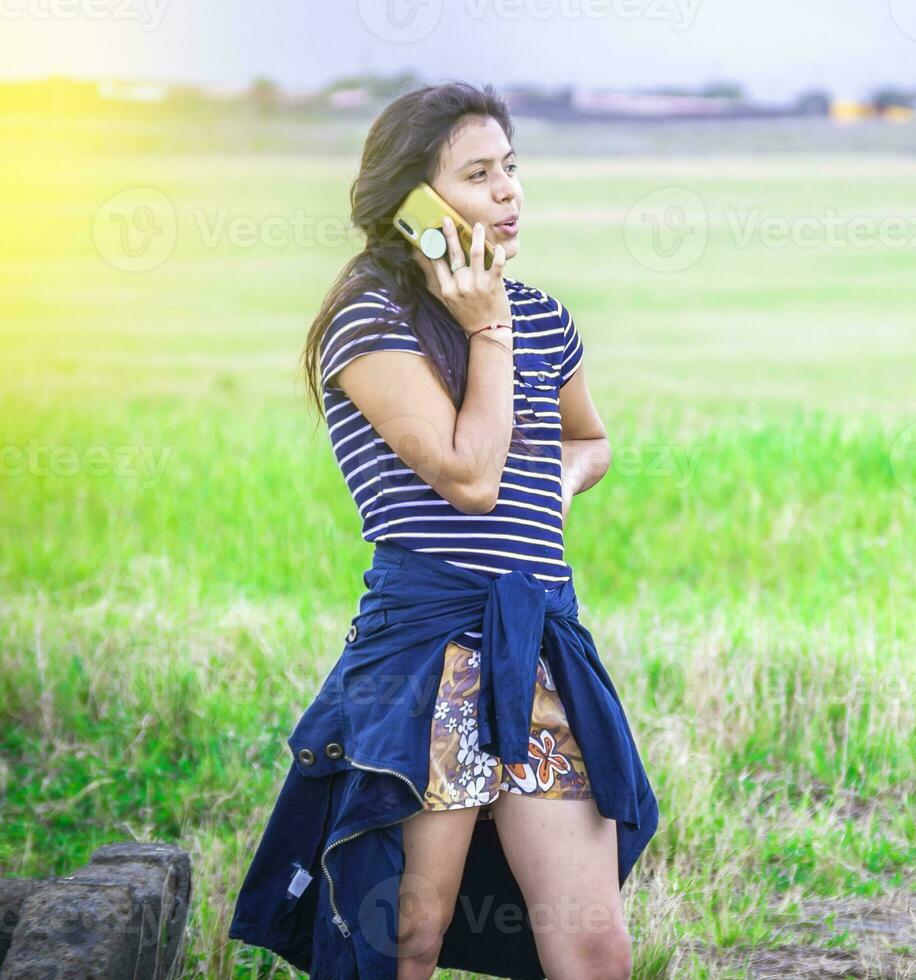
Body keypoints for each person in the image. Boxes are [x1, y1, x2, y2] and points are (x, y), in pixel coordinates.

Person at [229, 80, 657, 980]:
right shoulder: (371, 319)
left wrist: (560, 488)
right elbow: (466, 475)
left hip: (538, 638)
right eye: (477, 174)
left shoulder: (541, 315)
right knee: (405, 937)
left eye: (511, 168)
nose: (509, 192)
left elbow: (591, 439)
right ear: (412, 204)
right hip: (429, 650)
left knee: (593, 944)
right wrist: (485, 328)